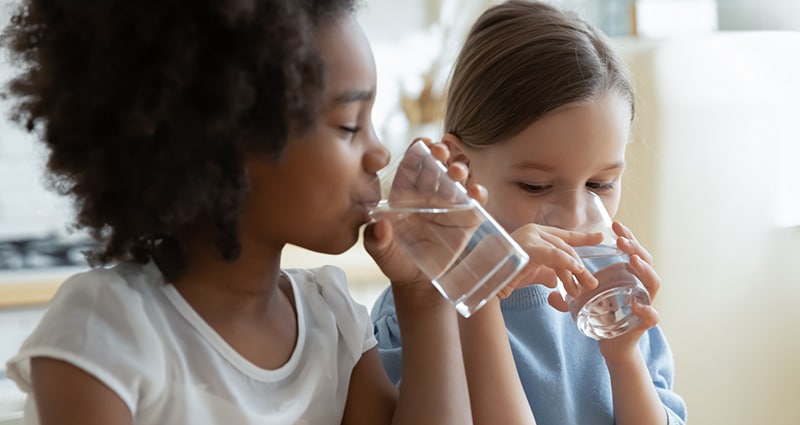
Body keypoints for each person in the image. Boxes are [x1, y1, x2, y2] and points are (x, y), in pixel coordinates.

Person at [0, 0, 592, 423]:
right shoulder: (107, 333)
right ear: (226, 141)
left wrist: (425, 294)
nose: (380, 152)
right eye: (348, 125)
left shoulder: (332, 322)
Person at [372, 1, 688, 424]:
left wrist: (624, 357)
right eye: (536, 186)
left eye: (600, 184)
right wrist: (481, 283)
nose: (575, 216)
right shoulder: (419, 312)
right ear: (460, 171)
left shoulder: (614, 313)